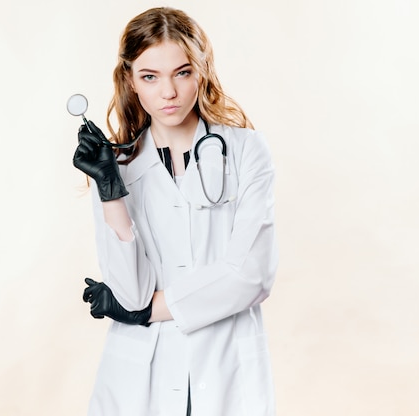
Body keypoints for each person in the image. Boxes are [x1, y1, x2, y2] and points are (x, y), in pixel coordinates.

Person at [72, 7, 278, 416]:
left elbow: (251, 276)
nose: (168, 92)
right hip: (138, 380)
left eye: (181, 73)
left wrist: (147, 310)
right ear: (131, 80)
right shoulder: (121, 169)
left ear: (201, 72)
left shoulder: (245, 151)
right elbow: (129, 292)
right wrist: (111, 190)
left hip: (226, 370)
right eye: (150, 76)